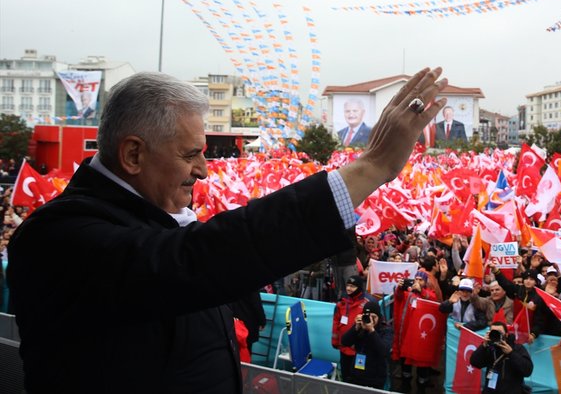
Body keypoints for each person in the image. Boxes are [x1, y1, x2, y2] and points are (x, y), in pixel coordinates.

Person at [8, 67, 449, 393]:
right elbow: (196, 261)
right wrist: (369, 168)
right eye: (190, 154)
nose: (203, 169)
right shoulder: (59, 239)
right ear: (133, 155)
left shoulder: (161, 220)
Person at [469, 321, 534, 394]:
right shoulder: (489, 348)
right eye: (493, 332)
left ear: (506, 335)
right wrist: (483, 345)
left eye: (499, 332)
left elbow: (528, 370)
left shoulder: (517, 348)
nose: (496, 334)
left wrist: (511, 353)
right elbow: (474, 362)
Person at [340, 300, 393, 389]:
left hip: (375, 378)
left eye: (373, 317)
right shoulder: (360, 327)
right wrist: (355, 328)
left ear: (379, 317)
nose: (371, 320)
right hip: (357, 375)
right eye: (368, 316)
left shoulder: (386, 330)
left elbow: (384, 351)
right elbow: (344, 342)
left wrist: (371, 330)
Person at [332, 275, 374, 382]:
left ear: (359, 287)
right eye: (348, 285)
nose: (349, 289)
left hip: (359, 351)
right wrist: (335, 341)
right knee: (345, 377)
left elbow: (374, 326)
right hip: (344, 348)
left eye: (352, 286)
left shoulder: (368, 302)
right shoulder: (342, 302)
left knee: (358, 378)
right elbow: (336, 323)